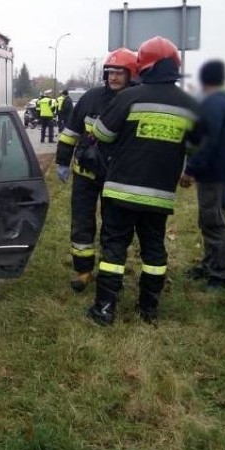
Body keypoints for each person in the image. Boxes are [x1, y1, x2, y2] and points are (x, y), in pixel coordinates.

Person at [87, 37, 200, 325]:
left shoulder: (128, 97)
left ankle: (104, 308)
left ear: (143, 66)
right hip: (159, 195)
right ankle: (148, 308)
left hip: (121, 190)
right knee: (153, 251)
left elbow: (101, 134)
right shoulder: (189, 105)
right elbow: (197, 148)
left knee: (114, 248)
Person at [56, 48, 137, 292]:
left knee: (114, 226)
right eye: (110, 73)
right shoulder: (91, 98)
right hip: (86, 173)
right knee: (82, 222)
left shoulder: (137, 100)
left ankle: (111, 271)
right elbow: (70, 132)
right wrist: (62, 161)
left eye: (119, 73)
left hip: (117, 176)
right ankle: (83, 271)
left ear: (131, 74)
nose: (113, 77)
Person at [180, 60, 225, 289]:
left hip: (215, 173)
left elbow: (207, 141)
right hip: (222, 171)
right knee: (209, 219)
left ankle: (220, 274)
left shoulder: (213, 104)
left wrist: (190, 168)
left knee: (215, 222)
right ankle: (209, 264)